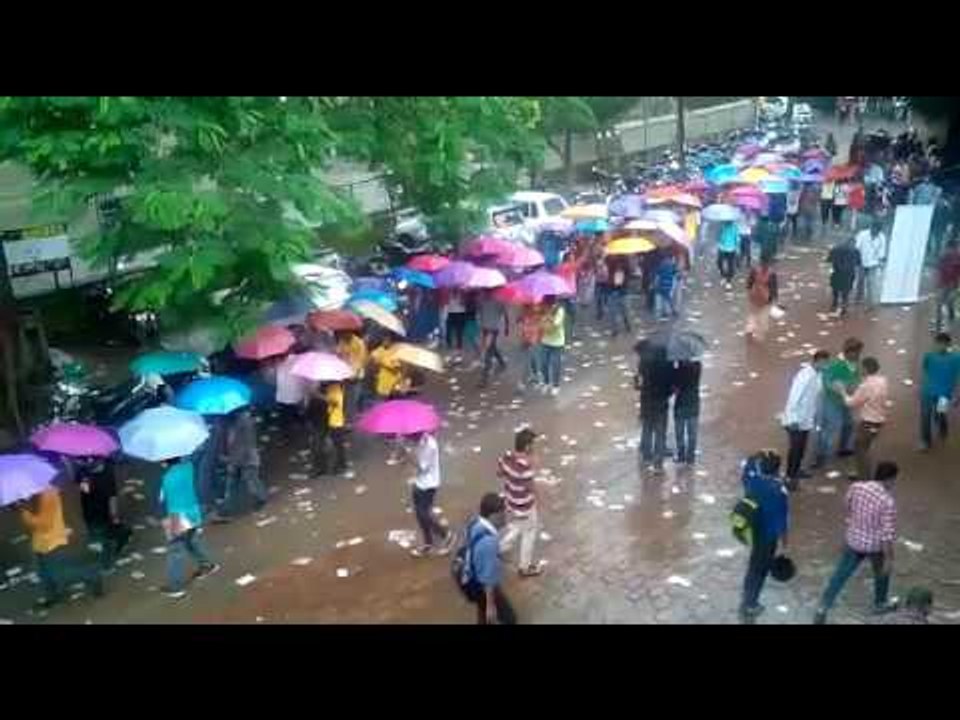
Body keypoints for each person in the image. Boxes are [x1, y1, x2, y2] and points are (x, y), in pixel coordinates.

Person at [813, 461, 900, 624]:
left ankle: (823, 606)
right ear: (889, 479)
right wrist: (890, 558)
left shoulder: (857, 487)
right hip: (875, 546)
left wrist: (851, 522)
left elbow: (847, 505)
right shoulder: (888, 502)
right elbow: (887, 535)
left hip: (854, 540)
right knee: (882, 575)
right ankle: (880, 603)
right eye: (894, 480)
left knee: (840, 574)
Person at [17, 487, 104, 609]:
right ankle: (52, 597)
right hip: (39, 542)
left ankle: (92, 576)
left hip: (51, 541)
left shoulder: (48, 495)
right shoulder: (35, 495)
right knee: (44, 573)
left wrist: (23, 512)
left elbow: (43, 525)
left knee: (62, 573)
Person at [739, 451, 789, 621]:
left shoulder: (753, 483)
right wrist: (785, 542)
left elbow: (746, 471)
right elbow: (782, 520)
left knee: (754, 566)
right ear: (777, 470)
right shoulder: (779, 490)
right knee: (759, 571)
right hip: (769, 537)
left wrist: (755, 458)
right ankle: (750, 604)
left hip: (754, 530)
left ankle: (747, 597)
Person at [159, 457, 219, 598]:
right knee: (191, 541)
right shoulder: (188, 467)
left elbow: (161, 500)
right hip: (193, 512)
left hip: (176, 517)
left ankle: (175, 587)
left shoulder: (166, 478)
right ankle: (207, 565)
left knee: (175, 551)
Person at [498, 427, 544, 577]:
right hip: (525, 506)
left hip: (512, 502)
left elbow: (499, 473)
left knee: (519, 526)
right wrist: (540, 500)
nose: (534, 448)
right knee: (529, 532)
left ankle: (501, 547)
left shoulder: (506, 457)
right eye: (532, 445)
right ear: (527, 447)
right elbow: (531, 487)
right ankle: (525, 567)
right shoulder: (526, 467)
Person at [781, 350, 830, 490]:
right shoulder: (804, 376)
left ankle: (796, 471)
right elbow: (794, 397)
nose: (826, 365)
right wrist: (793, 419)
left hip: (806, 419)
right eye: (825, 363)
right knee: (795, 449)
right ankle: (790, 477)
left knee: (801, 448)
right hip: (795, 420)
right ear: (817, 361)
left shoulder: (818, 375)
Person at [466, 492, 516, 625]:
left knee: (483, 614)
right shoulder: (489, 543)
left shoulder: (475, 522)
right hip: (481, 584)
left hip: (471, 574)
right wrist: (491, 606)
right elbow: (488, 580)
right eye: (502, 514)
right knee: (509, 618)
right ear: (493, 516)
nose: (505, 518)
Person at [74, 456, 132, 570]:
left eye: (94, 460)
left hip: (102, 513)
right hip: (89, 512)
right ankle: (123, 535)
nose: (90, 461)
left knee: (104, 537)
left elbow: (112, 495)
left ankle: (107, 564)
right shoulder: (83, 471)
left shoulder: (107, 472)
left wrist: (114, 514)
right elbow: (79, 483)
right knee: (98, 533)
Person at [835, 357, 888, 481]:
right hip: (879, 421)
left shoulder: (866, 386)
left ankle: (865, 477)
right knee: (866, 447)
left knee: (860, 450)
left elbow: (851, 403)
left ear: (865, 369)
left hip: (868, 422)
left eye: (861, 367)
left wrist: (842, 390)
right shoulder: (883, 381)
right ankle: (863, 474)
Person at [814, 338, 863, 469]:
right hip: (832, 401)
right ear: (848, 352)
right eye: (856, 352)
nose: (858, 355)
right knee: (831, 428)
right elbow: (827, 381)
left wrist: (856, 386)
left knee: (849, 424)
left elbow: (858, 379)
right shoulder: (836, 365)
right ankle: (821, 455)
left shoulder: (856, 365)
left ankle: (843, 447)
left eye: (859, 352)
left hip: (847, 400)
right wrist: (839, 388)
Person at [404, 431, 453, 557]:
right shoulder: (419, 442)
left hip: (429, 484)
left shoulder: (430, 445)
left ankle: (445, 534)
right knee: (419, 514)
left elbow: (422, 467)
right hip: (419, 482)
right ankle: (428, 542)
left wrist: (407, 455)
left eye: (410, 436)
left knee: (423, 514)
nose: (408, 438)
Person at [222, 407, 267, 515]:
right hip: (238, 457)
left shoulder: (244, 422)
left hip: (246, 458)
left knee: (251, 479)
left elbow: (246, 444)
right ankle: (229, 507)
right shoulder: (233, 423)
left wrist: (234, 461)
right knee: (235, 483)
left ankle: (261, 499)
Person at [635, 341, 673, 472]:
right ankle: (658, 463)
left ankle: (646, 455)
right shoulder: (667, 367)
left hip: (646, 402)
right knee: (660, 432)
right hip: (661, 403)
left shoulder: (644, 364)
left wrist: (639, 384)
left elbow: (638, 385)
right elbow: (670, 389)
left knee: (647, 428)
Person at [919, 332, 960, 451]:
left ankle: (943, 428)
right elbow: (925, 369)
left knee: (940, 413)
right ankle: (925, 441)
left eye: (943, 344)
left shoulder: (956, 358)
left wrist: (958, 395)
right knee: (925, 416)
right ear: (935, 344)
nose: (940, 347)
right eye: (938, 344)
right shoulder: (929, 356)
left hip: (944, 394)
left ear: (948, 345)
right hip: (927, 392)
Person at [311, 382, 347, 476]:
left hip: (334, 420)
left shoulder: (336, 388)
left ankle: (339, 465)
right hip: (324, 418)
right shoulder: (328, 387)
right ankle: (327, 467)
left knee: (336, 443)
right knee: (320, 443)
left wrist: (319, 396)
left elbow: (334, 403)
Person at [672, 359, 701, 466]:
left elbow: (675, 390)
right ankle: (691, 458)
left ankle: (681, 456)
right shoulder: (698, 366)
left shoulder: (677, 371)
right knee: (692, 433)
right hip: (694, 404)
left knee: (679, 433)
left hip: (680, 405)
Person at [477, 290, 508, 388]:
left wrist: (507, 327)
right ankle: (502, 362)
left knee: (488, 354)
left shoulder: (499, 302)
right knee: (492, 348)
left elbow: (505, 314)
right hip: (485, 329)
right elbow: (480, 313)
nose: (487, 293)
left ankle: (484, 379)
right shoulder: (481, 301)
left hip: (493, 330)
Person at [855, 217, 887, 307]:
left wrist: (880, 261)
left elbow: (882, 251)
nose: (875, 232)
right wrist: (858, 261)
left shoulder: (882, 237)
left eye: (877, 231)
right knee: (860, 281)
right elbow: (857, 247)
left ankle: (870, 301)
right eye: (874, 229)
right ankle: (858, 298)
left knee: (871, 282)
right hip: (861, 262)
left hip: (873, 263)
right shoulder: (862, 234)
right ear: (871, 227)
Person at [336, 330, 368, 419]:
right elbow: (338, 353)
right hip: (344, 373)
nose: (344, 334)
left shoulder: (359, 343)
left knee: (352, 398)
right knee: (343, 397)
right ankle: (342, 418)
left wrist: (354, 374)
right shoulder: (342, 341)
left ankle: (349, 419)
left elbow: (361, 360)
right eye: (343, 332)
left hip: (355, 376)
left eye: (346, 332)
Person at [745, 258, 778, 342]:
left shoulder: (754, 271)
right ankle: (759, 336)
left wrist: (750, 292)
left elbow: (749, 284)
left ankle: (750, 329)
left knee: (753, 314)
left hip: (754, 297)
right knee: (763, 318)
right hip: (766, 299)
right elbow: (773, 288)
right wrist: (774, 299)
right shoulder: (772, 274)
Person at [540, 295, 566, 397]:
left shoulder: (560, 311)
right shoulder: (542, 310)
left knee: (556, 365)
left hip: (558, 343)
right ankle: (546, 383)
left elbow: (555, 325)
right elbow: (541, 324)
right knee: (544, 364)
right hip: (545, 341)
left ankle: (556, 385)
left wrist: (548, 316)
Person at [828, 236, 860, 316]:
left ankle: (840, 305)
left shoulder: (854, 251)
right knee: (841, 290)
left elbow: (829, 260)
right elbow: (858, 263)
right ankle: (839, 304)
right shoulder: (853, 250)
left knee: (841, 290)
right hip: (843, 273)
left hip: (843, 273)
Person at [369, 334, 408, 399]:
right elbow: (373, 358)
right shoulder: (380, 349)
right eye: (384, 340)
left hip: (391, 383)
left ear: (391, 342)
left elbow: (396, 367)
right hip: (380, 381)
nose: (384, 342)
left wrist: (383, 363)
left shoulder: (396, 352)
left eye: (386, 340)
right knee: (378, 399)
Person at [516, 303, 544, 392]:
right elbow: (521, 328)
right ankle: (536, 377)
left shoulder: (537, 313)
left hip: (532, 341)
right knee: (531, 360)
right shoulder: (524, 315)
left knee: (527, 362)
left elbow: (541, 328)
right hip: (528, 341)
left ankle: (522, 383)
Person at [935, 239, 960, 332]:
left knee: (940, 304)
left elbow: (939, 267)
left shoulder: (943, 255)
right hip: (952, 283)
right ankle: (949, 318)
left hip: (944, 283)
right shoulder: (957, 255)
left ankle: (939, 325)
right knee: (949, 302)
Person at [606, 257, 631, 336]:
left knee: (625, 311)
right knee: (613, 312)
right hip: (612, 291)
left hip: (623, 292)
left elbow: (628, 274)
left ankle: (627, 325)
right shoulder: (610, 263)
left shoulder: (626, 266)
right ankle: (615, 329)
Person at [654, 253, 679, 320]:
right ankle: (670, 311)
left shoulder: (661, 265)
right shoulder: (672, 265)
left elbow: (657, 275)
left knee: (663, 298)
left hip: (662, 284)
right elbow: (676, 274)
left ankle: (665, 312)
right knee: (667, 298)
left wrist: (655, 283)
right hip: (668, 284)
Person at [716, 219, 740, 288]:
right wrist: (720, 239)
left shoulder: (735, 227)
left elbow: (737, 238)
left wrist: (737, 247)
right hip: (722, 248)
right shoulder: (721, 226)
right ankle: (723, 275)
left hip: (731, 248)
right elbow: (718, 236)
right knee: (719, 262)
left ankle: (728, 281)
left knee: (730, 265)